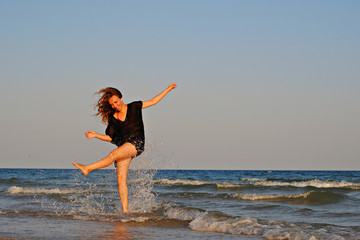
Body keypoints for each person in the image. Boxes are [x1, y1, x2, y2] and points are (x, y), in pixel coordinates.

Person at [72, 83, 177, 212]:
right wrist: (95, 135)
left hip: (136, 144)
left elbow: (153, 101)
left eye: (116, 102)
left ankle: (87, 168)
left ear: (121, 98)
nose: (115, 106)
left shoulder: (134, 107)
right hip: (124, 147)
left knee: (113, 155)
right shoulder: (113, 119)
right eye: (112, 105)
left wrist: (167, 89)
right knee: (121, 180)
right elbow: (110, 137)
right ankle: (125, 211)